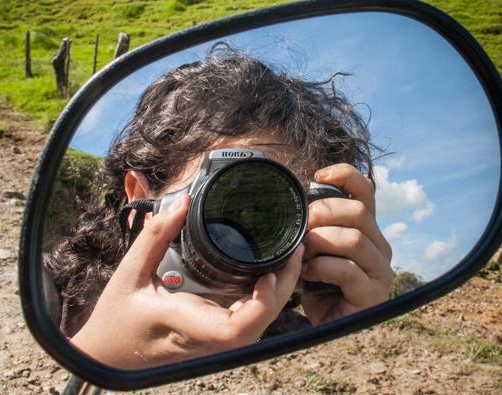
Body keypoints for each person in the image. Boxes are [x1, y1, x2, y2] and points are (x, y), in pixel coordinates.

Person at [44, 45, 393, 369]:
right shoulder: (48, 296)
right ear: (140, 201)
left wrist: (335, 329)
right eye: (217, 198)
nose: (233, 238)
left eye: (272, 213)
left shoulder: (288, 336)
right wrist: (99, 353)